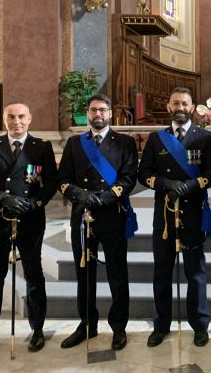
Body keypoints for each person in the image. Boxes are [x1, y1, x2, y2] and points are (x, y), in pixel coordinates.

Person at [0, 102, 58, 360]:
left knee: (33, 275)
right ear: (4, 119)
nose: (16, 121)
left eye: (21, 117)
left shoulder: (41, 147)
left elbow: (51, 181)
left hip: (30, 219)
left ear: (29, 119)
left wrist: (34, 202)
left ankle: (37, 330)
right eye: (11, 117)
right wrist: (1, 198)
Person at [138, 87, 211, 348]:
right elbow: (144, 173)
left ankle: (200, 325)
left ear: (192, 108)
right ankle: (161, 325)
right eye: (176, 103)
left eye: (185, 104)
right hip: (164, 213)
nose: (180, 108)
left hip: (193, 211)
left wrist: (191, 185)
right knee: (162, 271)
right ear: (169, 106)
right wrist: (166, 184)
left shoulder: (205, 137)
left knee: (195, 272)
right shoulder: (156, 139)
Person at [58, 94, 138, 351]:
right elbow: (63, 179)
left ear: (110, 113)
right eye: (93, 110)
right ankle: (87, 324)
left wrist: (103, 198)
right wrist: (80, 195)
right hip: (82, 217)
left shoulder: (125, 142)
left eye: (102, 110)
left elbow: (128, 179)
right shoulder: (74, 143)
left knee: (117, 274)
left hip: (112, 215)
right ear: (87, 113)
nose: (98, 114)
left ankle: (119, 327)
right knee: (84, 274)